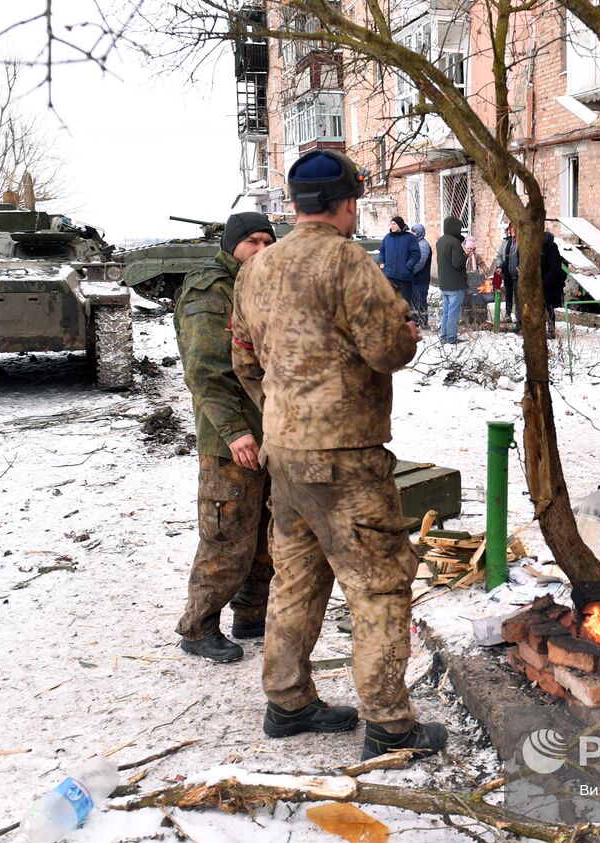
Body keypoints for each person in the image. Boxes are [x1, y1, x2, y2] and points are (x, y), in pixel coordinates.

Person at [230, 150, 447, 761]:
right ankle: (390, 724)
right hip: (346, 458)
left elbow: (244, 359)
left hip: (284, 455)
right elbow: (385, 351)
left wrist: (282, 411)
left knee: (295, 577)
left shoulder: (256, 268)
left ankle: (288, 702)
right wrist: (405, 332)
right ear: (347, 203)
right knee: (379, 585)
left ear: (297, 205)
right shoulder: (347, 260)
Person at [172, 212, 277, 663]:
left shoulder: (262, 285)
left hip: (271, 429)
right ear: (232, 245)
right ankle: (198, 627)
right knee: (226, 535)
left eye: (267, 241)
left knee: (264, 536)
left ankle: (251, 614)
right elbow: (206, 372)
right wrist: (235, 433)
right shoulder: (212, 290)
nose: (260, 249)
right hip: (229, 439)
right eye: (251, 242)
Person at [436, 216, 467, 345]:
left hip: (444, 282)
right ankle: (452, 338)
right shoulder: (455, 243)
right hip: (455, 284)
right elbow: (457, 263)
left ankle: (443, 335)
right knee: (453, 312)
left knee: (447, 311)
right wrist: (466, 256)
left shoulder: (440, 241)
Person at [379, 216, 416, 305]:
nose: (392, 226)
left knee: (404, 303)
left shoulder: (410, 238)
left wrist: (408, 266)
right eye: (391, 224)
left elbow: (416, 254)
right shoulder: (387, 238)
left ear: (399, 225)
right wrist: (381, 261)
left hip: (404, 277)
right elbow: (382, 251)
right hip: (390, 275)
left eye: (394, 224)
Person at [541, 231, 566, 339]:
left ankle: (551, 330)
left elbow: (555, 267)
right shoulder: (538, 249)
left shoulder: (552, 248)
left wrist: (545, 280)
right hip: (540, 283)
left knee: (549, 307)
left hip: (551, 285)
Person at [493, 223, 518, 328]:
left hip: (518, 275)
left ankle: (518, 316)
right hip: (507, 273)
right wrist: (499, 265)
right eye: (510, 229)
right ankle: (508, 314)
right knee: (508, 294)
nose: (511, 230)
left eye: (513, 229)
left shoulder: (520, 243)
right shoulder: (506, 243)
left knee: (518, 296)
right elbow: (500, 257)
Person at [409, 222, 431, 330]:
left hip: (421, 279)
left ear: (419, 233)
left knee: (421, 301)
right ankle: (415, 321)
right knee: (413, 301)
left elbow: (420, 263)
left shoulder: (423, 245)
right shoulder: (416, 243)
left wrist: (409, 271)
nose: (412, 233)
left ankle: (423, 322)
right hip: (414, 279)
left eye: (414, 231)